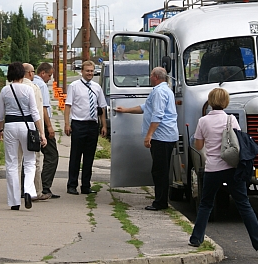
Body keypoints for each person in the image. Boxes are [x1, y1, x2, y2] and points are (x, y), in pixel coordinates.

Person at [188, 88, 258, 258]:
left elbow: (199, 146)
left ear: (210, 101)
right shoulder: (231, 119)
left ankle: (196, 238)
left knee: (206, 204)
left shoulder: (203, 121)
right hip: (232, 169)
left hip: (213, 170)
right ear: (225, 102)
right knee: (244, 205)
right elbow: (237, 143)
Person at [115, 67, 179, 211]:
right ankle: (160, 199)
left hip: (161, 137)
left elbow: (157, 115)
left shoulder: (159, 92)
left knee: (159, 171)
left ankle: (161, 202)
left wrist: (149, 135)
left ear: (156, 77)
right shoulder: (163, 90)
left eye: (151, 75)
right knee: (160, 169)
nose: (149, 77)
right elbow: (145, 107)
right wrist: (126, 110)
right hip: (166, 136)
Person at [0, 62, 47, 210]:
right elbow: (35, 112)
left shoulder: (5, 90)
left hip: (10, 127)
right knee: (30, 162)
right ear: (22, 74)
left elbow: (0, 115)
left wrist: (0, 131)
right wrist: (41, 133)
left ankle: (14, 201)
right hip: (27, 127)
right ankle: (28, 191)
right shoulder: (28, 89)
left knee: (12, 163)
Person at [64, 60, 107, 195]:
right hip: (78, 124)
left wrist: (103, 125)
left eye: (91, 71)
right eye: (87, 71)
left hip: (92, 125)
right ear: (81, 71)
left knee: (89, 157)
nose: (90, 73)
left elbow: (102, 107)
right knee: (76, 156)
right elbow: (68, 106)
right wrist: (67, 123)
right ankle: (72, 185)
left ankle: (86, 186)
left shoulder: (97, 87)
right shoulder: (74, 86)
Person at [19, 63, 50, 201]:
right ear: (30, 73)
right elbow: (37, 112)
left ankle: (17, 191)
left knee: (17, 161)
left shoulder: (12, 87)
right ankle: (35, 191)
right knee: (34, 161)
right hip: (31, 128)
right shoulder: (34, 88)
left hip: (14, 128)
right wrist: (41, 133)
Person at [33, 62, 61, 199]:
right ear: (42, 73)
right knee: (52, 155)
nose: (50, 78)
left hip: (32, 123)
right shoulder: (42, 85)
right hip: (43, 123)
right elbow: (43, 107)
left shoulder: (30, 83)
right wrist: (49, 127)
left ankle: (29, 187)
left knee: (31, 158)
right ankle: (44, 187)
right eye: (49, 75)